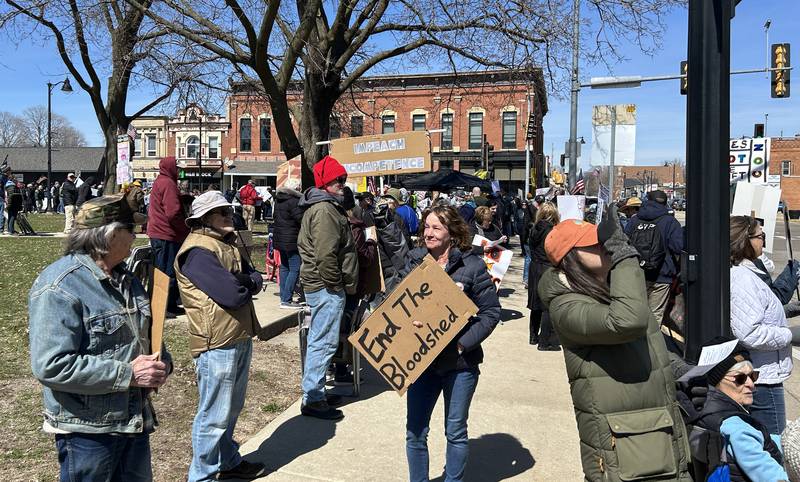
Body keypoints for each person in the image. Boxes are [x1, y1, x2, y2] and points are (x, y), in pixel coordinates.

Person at [537, 206, 691, 481]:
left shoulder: (610, 290)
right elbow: (628, 322)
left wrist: (690, 373)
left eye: (603, 241)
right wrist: (623, 253)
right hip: (626, 449)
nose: (603, 246)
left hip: (655, 433)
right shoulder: (566, 305)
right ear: (571, 256)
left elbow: (649, 342)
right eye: (593, 244)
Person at [28, 194, 172, 481]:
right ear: (110, 234)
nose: (136, 236)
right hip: (89, 432)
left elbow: (144, 335)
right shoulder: (59, 287)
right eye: (131, 230)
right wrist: (129, 374)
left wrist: (163, 362)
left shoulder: (127, 279)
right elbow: (51, 366)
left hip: (134, 421)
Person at [403, 204, 501, 482]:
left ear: (451, 232)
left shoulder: (471, 265)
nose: (429, 233)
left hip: (459, 365)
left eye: (436, 227)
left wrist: (461, 345)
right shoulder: (414, 261)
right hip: (421, 364)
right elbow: (393, 302)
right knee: (415, 432)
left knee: (455, 431)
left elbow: (491, 312)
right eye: (426, 227)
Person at [174, 191, 267, 481]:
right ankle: (201, 476)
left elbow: (256, 278)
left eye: (229, 211)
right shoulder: (199, 252)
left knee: (231, 408)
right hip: (217, 343)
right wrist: (245, 282)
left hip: (237, 335)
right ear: (204, 219)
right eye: (222, 213)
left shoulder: (224, 243)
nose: (229, 216)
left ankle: (227, 461)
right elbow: (232, 294)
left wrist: (246, 281)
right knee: (213, 415)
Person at [297, 155, 358, 420]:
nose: (342, 184)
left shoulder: (326, 207)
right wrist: (335, 285)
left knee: (322, 340)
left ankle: (316, 392)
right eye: (337, 180)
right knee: (323, 342)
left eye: (343, 179)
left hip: (322, 285)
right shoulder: (324, 210)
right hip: (325, 286)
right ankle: (312, 397)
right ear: (324, 183)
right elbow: (325, 255)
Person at [729, 215, 796, 435]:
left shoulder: (748, 272)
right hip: (761, 379)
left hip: (761, 373)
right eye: (760, 236)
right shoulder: (742, 279)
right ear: (745, 241)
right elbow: (749, 332)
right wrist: (788, 335)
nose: (763, 242)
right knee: (774, 445)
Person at [691, 340, 788, 481]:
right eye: (740, 378)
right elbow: (773, 477)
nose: (751, 385)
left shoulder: (704, 412)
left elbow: (759, 439)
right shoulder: (736, 428)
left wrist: (789, 439)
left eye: (753, 376)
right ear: (716, 381)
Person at [624, 190, 683, 325]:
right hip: (662, 276)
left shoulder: (634, 220)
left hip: (636, 273)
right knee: (655, 315)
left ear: (647, 200)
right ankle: (651, 344)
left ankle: (634, 342)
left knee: (636, 312)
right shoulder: (670, 222)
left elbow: (624, 243)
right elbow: (678, 247)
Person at [147, 157, 189, 318]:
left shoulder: (161, 181)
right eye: (177, 168)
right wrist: (185, 228)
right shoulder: (168, 184)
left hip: (161, 233)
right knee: (167, 272)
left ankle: (169, 304)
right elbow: (172, 213)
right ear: (171, 168)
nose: (179, 171)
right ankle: (163, 307)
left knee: (165, 271)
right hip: (166, 234)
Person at [527, 202, 560, 350]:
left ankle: (533, 337)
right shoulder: (553, 231)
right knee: (548, 305)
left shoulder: (534, 229)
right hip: (547, 267)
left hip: (534, 267)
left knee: (535, 304)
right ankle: (544, 342)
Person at [273, 179, 304, 309]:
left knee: (284, 267)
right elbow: (300, 219)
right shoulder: (294, 201)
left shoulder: (279, 200)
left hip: (280, 238)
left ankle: (283, 296)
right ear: (296, 189)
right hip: (292, 239)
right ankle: (287, 299)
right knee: (295, 269)